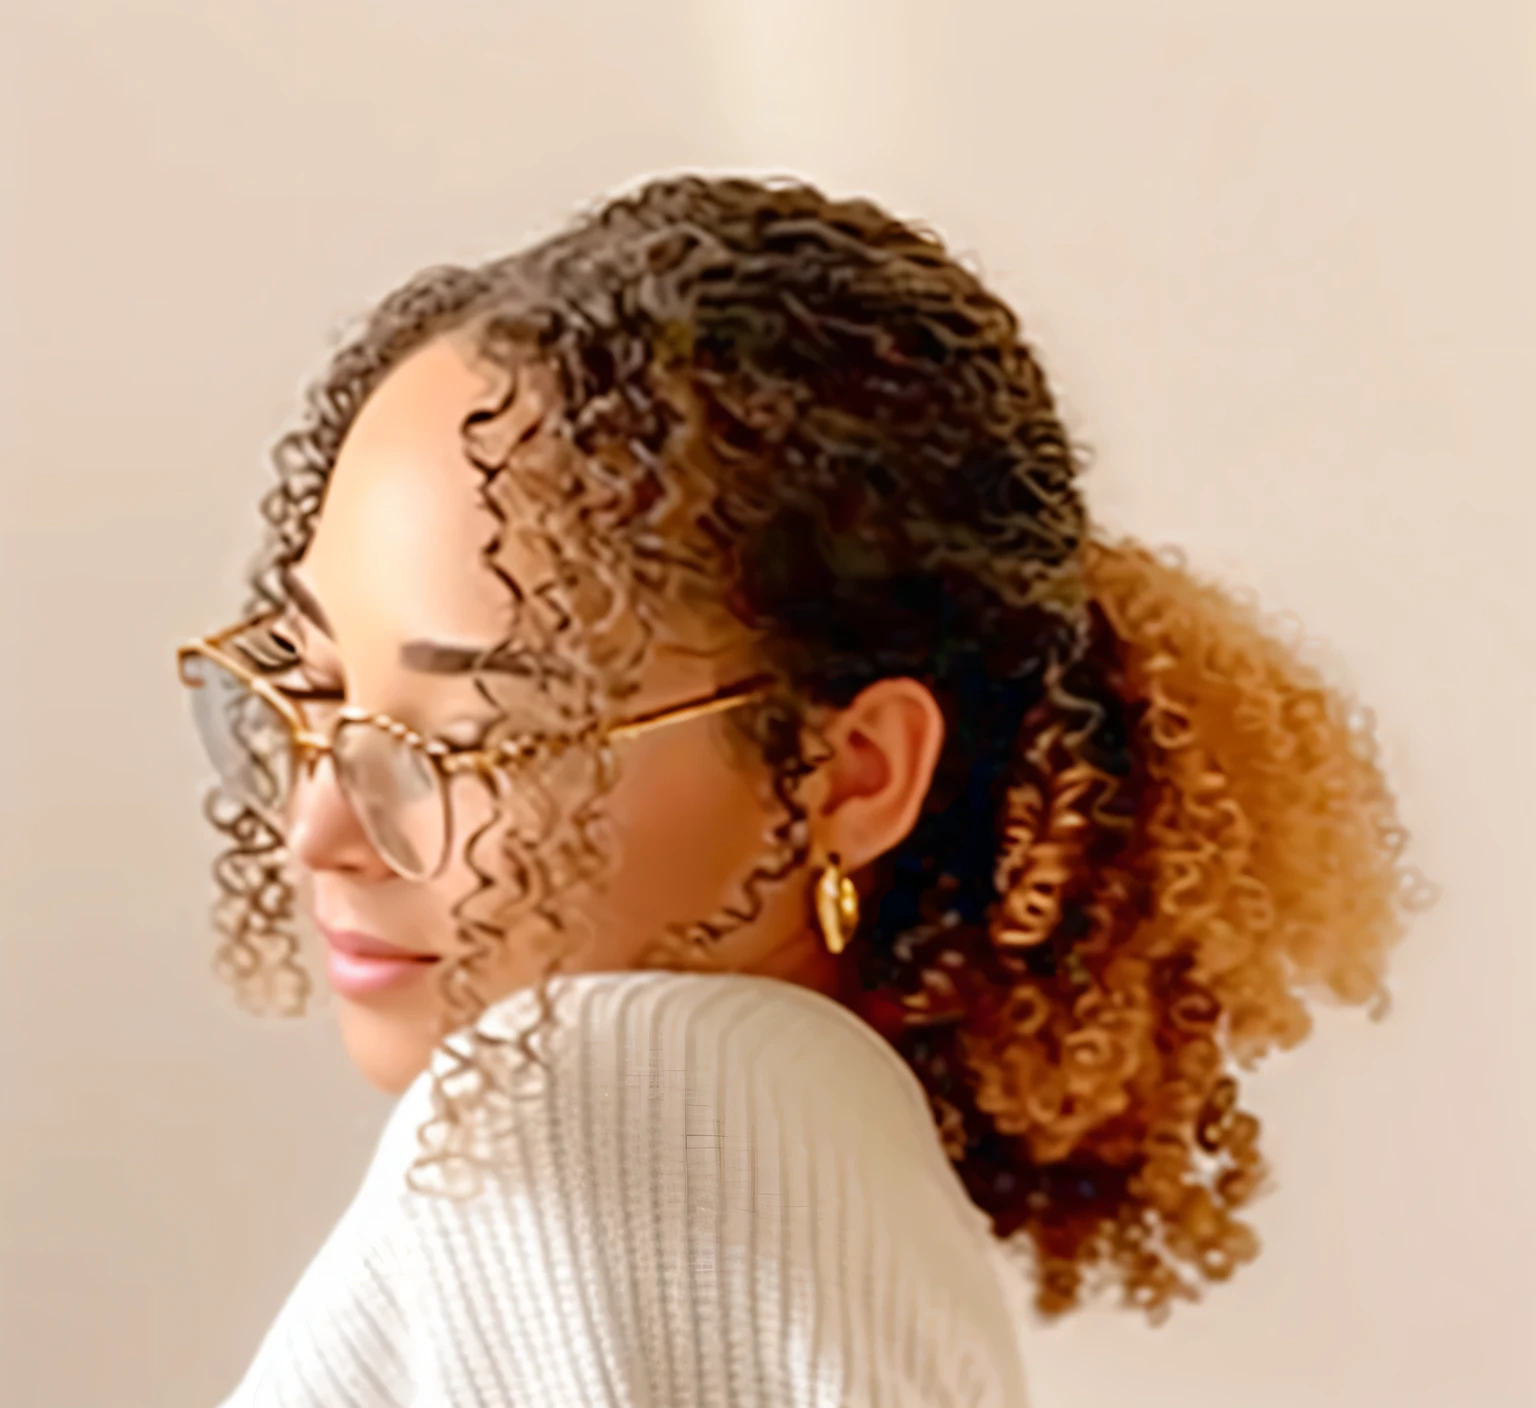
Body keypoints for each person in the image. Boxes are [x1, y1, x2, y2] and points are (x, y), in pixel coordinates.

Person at [177, 175, 1427, 1406]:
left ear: (852, 773)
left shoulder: (604, 1107)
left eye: (471, 730)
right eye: (321, 688)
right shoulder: (812, 1172)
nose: (319, 829)